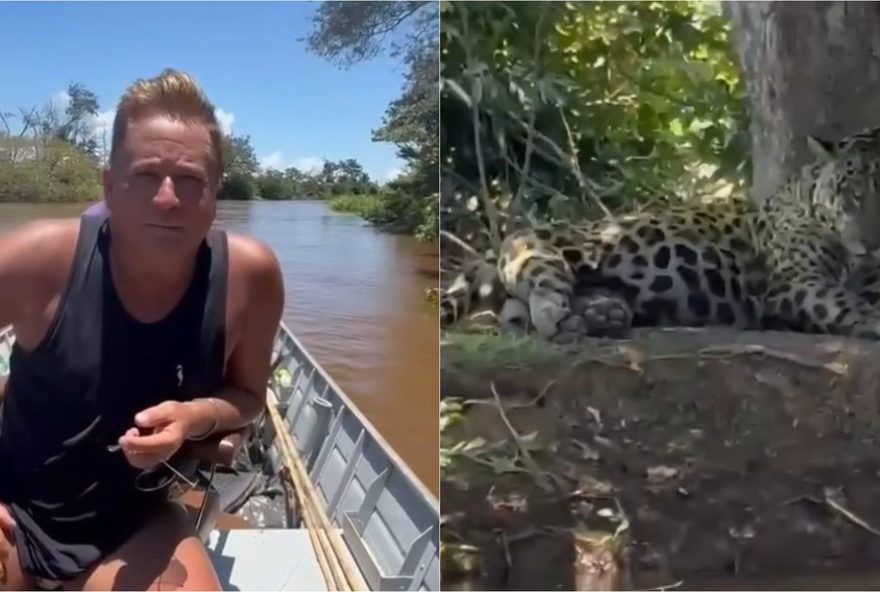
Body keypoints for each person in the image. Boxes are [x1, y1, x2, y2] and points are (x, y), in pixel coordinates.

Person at [0, 69, 284, 591]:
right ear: (110, 184)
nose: (169, 198)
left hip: (130, 523)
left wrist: (195, 417)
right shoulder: (39, 259)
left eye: (192, 179)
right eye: (148, 175)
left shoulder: (251, 277)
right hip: (12, 508)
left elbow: (247, 396)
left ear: (217, 191)